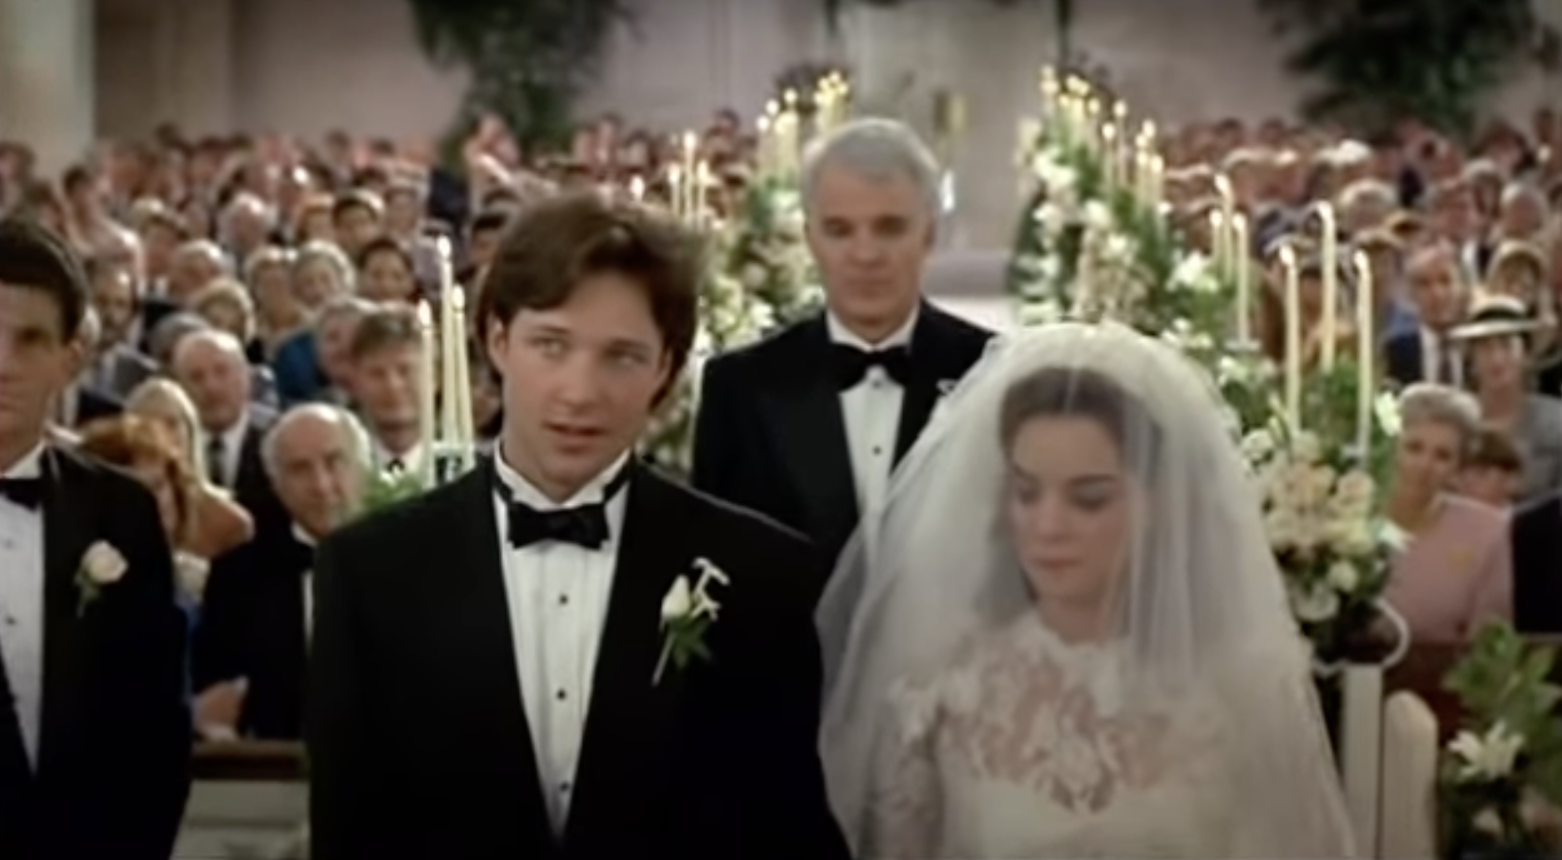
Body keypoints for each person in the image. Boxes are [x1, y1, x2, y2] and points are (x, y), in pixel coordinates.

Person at [308, 192, 850, 859]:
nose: (579, 390)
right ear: (497, 341)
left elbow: (785, 834)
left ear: (665, 370)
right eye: (552, 345)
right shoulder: (369, 573)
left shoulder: (761, 574)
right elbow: (349, 835)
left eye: (620, 356)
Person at [818, 321, 1355, 859]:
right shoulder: (942, 697)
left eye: (1089, 499)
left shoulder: (1239, 699)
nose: (1048, 525)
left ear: (1159, 502)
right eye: (1027, 494)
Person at [691, 118, 992, 568]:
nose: (865, 254)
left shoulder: (990, 372)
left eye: (889, 228)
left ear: (928, 234)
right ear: (810, 239)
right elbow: (711, 568)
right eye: (840, 230)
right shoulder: (738, 387)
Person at [0, 217, 190, 858]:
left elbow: (157, 732)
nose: (2, 364)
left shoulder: (121, 513)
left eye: (29, 339)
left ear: (70, 356)